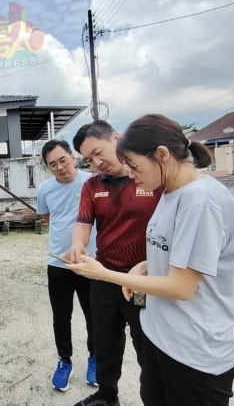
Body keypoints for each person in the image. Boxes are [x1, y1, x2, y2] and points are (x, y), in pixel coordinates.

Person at [67, 114, 234, 406]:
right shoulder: (169, 193)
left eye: (134, 165)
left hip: (195, 350)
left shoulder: (198, 200)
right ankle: (106, 393)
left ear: (161, 155)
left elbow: (182, 286)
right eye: (88, 160)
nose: (131, 173)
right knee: (109, 345)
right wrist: (147, 264)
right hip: (165, 334)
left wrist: (106, 275)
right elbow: (171, 247)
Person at [68, 120, 161, 406]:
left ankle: (156, 398)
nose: (97, 163)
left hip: (143, 278)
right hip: (104, 274)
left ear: (116, 138)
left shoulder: (150, 178)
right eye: (89, 159)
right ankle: (107, 396)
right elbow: (83, 223)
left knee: (147, 345)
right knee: (105, 340)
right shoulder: (93, 186)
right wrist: (77, 244)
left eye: (99, 152)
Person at [36, 139, 98, 392]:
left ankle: (95, 357)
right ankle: (64, 360)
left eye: (63, 160)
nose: (60, 167)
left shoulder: (91, 182)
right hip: (58, 262)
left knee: (93, 315)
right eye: (53, 164)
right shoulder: (45, 189)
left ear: (73, 157)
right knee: (61, 316)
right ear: (47, 167)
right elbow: (49, 218)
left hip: (90, 262)